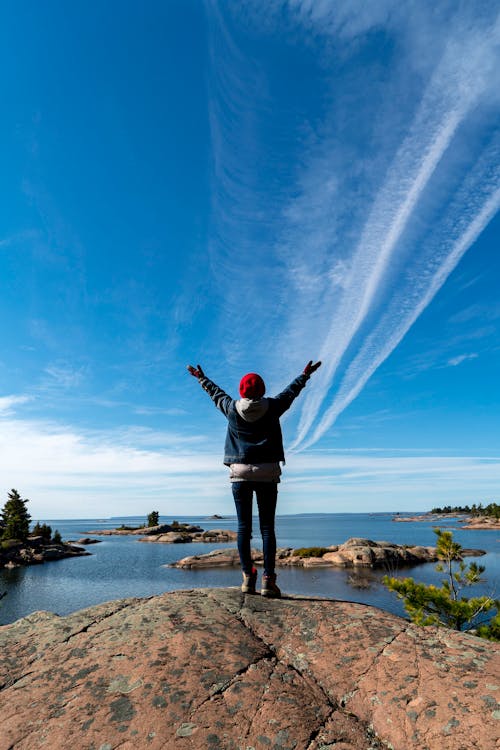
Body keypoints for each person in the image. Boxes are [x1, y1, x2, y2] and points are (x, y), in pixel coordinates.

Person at [186, 360, 321, 597]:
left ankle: (248, 578)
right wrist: (305, 375)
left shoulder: (230, 408)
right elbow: (292, 392)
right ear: (262, 390)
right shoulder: (274, 406)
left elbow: (215, 393)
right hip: (268, 472)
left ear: (241, 391)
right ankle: (268, 580)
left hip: (240, 473)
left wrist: (201, 378)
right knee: (267, 528)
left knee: (243, 528)